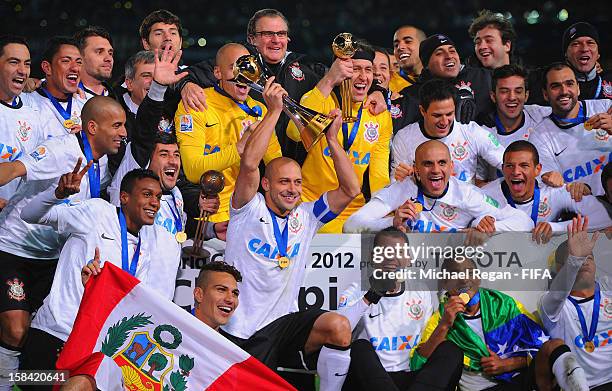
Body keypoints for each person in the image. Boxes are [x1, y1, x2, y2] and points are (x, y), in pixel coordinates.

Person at [224, 61, 360, 390]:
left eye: (297, 183)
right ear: (266, 185)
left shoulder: (306, 216)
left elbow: (350, 190)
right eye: (284, 181)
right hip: (240, 328)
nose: (292, 189)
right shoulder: (246, 207)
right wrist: (273, 111)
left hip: (284, 324)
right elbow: (251, 162)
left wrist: (332, 141)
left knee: (339, 327)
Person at [0, 96, 124, 385]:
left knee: (39, 334)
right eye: (116, 125)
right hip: (15, 247)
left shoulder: (100, 162)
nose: (123, 133)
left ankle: (22, 379)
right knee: (16, 330)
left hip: (51, 257)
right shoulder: (60, 150)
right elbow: (13, 169)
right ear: (92, 127)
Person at [17, 168, 177, 389]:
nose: (155, 203)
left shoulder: (148, 244)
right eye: (147, 194)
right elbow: (30, 214)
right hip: (56, 332)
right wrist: (58, 194)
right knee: (26, 383)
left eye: (158, 197)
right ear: (124, 197)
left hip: (90, 346)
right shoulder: (98, 212)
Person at [412, 257, 588, 391]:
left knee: (554, 346)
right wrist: (445, 325)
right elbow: (419, 366)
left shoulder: (503, 304)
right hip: (480, 389)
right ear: (444, 282)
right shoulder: (440, 319)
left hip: (518, 379)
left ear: (478, 277)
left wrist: (509, 364)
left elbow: (538, 345)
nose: (464, 279)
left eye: (469, 272)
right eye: (456, 274)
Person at [179, 8, 327, 164]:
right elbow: (184, 76)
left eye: (281, 34)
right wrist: (185, 84)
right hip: (246, 167)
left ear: (287, 39)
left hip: (287, 169)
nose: (276, 40)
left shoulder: (304, 70)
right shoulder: (235, 62)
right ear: (252, 39)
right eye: (268, 34)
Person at [338, 228, 463, 391]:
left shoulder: (422, 291)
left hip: (414, 379)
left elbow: (426, 347)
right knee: (359, 347)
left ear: (409, 259)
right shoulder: (356, 290)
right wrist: (370, 297)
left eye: (398, 252)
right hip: (372, 380)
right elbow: (338, 331)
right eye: (384, 251)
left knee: (451, 350)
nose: (391, 257)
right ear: (372, 258)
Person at [287, 40, 392, 232]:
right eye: (355, 69)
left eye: (368, 70)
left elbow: (379, 174)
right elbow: (294, 133)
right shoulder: (322, 100)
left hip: (353, 210)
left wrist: (383, 211)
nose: (363, 77)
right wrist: (329, 80)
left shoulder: (378, 113)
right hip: (313, 206)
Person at [174, 43, 282, 223]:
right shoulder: (196, 104)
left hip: (249, 218)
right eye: (234, 67)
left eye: (248, 67)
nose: (242, 74)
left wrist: (276, 111)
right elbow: (193, 170)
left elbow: (276, 167)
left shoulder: (260, 110)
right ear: (218, 73)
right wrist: (241, 147)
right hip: (208, 223)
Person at [344, 140, 533, 233]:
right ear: (416, 169)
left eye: (442, 163)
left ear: (451, 167)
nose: (435, 170)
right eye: (427, 164)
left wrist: (481, 227)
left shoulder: (467, 195)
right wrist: (391, 223)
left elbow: (525, 222)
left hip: (454, 272)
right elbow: (351, 225)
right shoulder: (403, 188)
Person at [482, 141, 611, 244]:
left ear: (537, 169)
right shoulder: (486, 195)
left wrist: (555, 228)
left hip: (546, 264)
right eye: (510, 166)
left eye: (524, 165)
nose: (516, 171)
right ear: (503, 168)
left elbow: (605, 216)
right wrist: (478, 223)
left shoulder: (554, 192)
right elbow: (464, 225)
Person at [540, 215, 611, 390]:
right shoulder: (553, 305)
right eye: (580, 258)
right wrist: (574, 260)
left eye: (589, 258)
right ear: (561, 268)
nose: (584, 262)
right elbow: (556, 295)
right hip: (586, 385)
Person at [392, 79, 504, 185]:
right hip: (422, 204)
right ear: (422, 111)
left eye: (449, 114)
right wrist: (403, 180)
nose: (444, 122)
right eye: (437, 115)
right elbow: (395, 184)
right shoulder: (404, 138)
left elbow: (506, 162)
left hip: (466, 203)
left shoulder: (470, 131)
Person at [528, 62, 612, 196]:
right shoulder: (539, 137)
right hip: (584, 207)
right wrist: (570, 188)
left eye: (569, 84)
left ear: (578, 88)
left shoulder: (605, 107)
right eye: (556, 86)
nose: (564, 91)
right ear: (545, 94)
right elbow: (553, 189)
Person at [391, 34, 493, 131]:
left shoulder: (482, 77)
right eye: (439, 53)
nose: (449, 56)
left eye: (452, 51)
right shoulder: (412, 95)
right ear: (426, 64)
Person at [475, 64, 551, 181]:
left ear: (526, 96)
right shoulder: (482, 134)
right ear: (493, 96)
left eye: (518, 91)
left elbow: (572, 112)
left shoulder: (541, 115)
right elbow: (477, 181)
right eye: (504, 91)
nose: (512, 97)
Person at [0, 36, 46, 210]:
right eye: (14, 62)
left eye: (26, 64)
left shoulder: (34, 107)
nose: (22, 70)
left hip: (21, 227)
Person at [529, 22, 612, 104]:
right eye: (576, 44)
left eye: (590, 43)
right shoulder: (542, 81)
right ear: (566, 54)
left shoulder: (608, 79)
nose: (584, 49)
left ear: (598, 54)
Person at [20, 36, 85, 137]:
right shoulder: (26, 104)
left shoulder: (85, 107)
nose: (75, 68)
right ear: (47, 68)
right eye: (66, 61)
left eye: (79, 62)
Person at [73, 26, 115, 99]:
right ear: (79, 56)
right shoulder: (62, 95)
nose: (108, 58)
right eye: (99, 52)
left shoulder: (120, 99)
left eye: (110, 53)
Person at [389, 25, 426, 94]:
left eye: (408, 41)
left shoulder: (440, 78)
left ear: (423, 46)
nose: (400, 47)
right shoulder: (388, 85)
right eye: (396, 45)